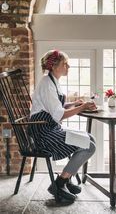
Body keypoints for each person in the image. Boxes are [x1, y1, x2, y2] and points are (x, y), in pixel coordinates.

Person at [29, 50, 96, 204]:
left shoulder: (52, 81)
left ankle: (66, 178)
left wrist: (74, 104)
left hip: (50, 127)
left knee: (89, 138)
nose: (68, 66)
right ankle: (59, 183)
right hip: (43, 132)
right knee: (89, 147)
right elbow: (59, 115)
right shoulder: (47, 83)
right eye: (65, 63)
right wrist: (83, 106)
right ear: (54, 66)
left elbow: (55, 107)